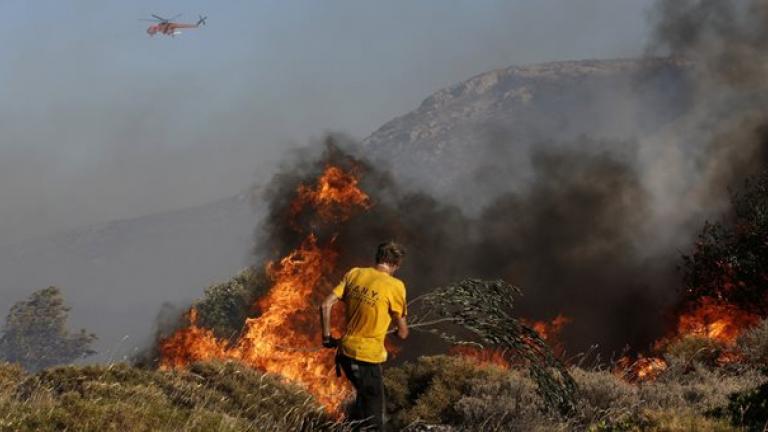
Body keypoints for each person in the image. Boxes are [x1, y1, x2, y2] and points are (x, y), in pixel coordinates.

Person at [320, 241, 409, 431]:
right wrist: (394, 327)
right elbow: (403, 334)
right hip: (365, 358)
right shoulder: (395, 286)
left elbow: (325, 305)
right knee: (375, 420)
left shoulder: (355, 273)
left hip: (344, 354)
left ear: (378, 258)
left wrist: (327, 338)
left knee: (364, 402)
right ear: (395, 265)